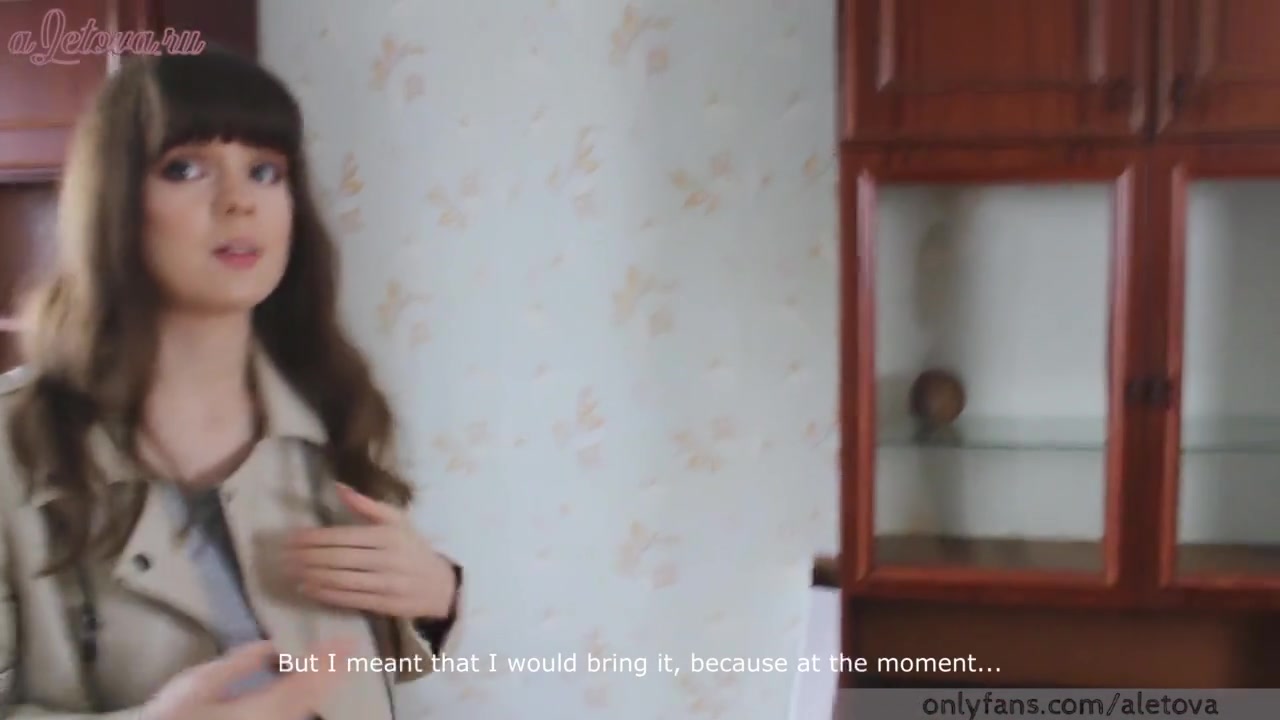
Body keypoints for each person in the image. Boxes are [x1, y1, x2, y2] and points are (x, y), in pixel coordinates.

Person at [0, 46, 463, 719]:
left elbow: (388, 664)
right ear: (113, 203)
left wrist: (438, 598)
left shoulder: (338, 406)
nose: (239, 201)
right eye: (185, 168)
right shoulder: (16, 441)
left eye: (265, 171)